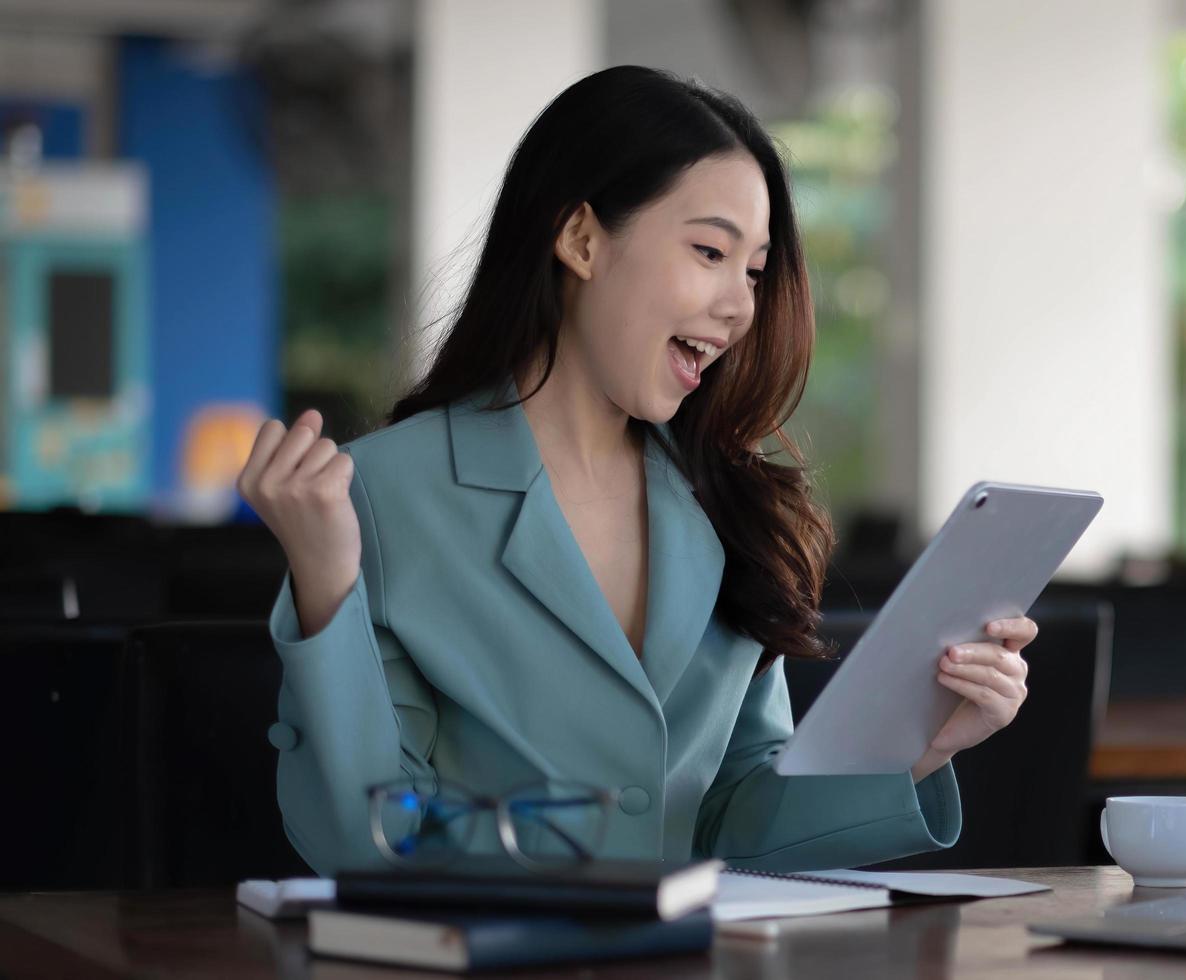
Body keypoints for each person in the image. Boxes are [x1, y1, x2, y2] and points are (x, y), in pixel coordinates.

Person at [237, 66, 1035, 875]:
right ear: (581, 240)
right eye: (709, 251)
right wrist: (325, 583)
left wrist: (918, 750)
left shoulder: (724, 498)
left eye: (753, 271)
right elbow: (362, 840)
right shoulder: (378, 493)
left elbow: (731, 820)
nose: (739, 305)